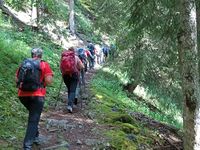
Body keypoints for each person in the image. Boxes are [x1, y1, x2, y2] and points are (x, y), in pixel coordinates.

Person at [16, 48, 53, 150]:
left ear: (31, 54)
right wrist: (43, 84)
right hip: (37, 95)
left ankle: (35, 136)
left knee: (33, 116)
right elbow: (49, 81)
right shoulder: (44, 64)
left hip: (22, 95)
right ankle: (27, 146)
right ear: (41, 55)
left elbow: (17, 79)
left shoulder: (24, 63)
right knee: (33, 120)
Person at [60, 47, 84, 113]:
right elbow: (82, 66)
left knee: (69, 89)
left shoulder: (63, 57)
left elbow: (61, 67)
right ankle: (70, 105)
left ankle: (69, 103)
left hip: (65, 75)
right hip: (74, 75)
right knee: (73, 90)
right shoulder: (76, 57)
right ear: (74, 51)